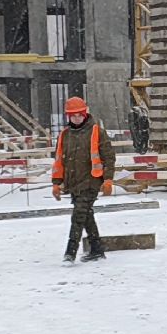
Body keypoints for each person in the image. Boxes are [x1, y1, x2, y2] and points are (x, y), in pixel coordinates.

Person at [50, 96, 115, 263]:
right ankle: (96, 249)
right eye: (73, 115)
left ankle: (70, 253)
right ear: (68, 117)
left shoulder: (96, 132)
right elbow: (59, 160)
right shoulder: (64, 135)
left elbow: (108, 157)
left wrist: (107, 180)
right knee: (86, 215)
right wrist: (56, 183)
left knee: (78, 216)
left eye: (79, 115)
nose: (77, 118)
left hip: (91, 182)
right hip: (73, 183)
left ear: (85, 114)